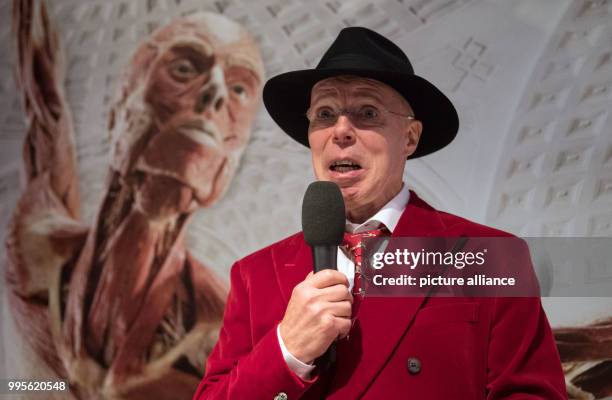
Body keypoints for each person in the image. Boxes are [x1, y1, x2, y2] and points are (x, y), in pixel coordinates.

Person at [193, 27, 566, 399]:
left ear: (409, 138)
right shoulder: (254, 274)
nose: (340, 131)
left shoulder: (492, 257)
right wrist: (287, 350)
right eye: (324, 113)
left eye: (367, 112)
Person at [7, 1, 263, 398]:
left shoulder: (224, 327)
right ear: (118, 112)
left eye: (239, 89)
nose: (215, 93)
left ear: (230, 162)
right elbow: (45, 113)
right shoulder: (39, 250)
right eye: (184, 68)